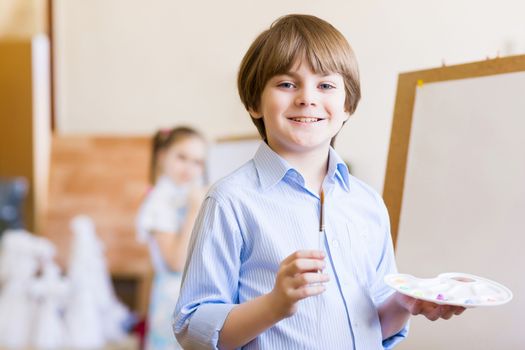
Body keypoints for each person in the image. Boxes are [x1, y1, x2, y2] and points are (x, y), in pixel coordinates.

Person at [174, 14, 465, 350]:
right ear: (254, 102)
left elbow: (373, 328)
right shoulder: (230, 201)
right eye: (286, 84)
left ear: (347, 106)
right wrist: (274, 305)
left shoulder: (367, 203)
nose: (306, 98)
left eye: (325, 85)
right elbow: (192, 327)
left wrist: (406, 303)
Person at [137, 126, 207, 350]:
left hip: (196, 292)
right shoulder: (159, 202)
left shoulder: (188, 194)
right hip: (173, 298)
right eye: (182, 157)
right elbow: (175, 262)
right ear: (162, 156)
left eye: (197, 162)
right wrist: (194, 208)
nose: (189, 168)